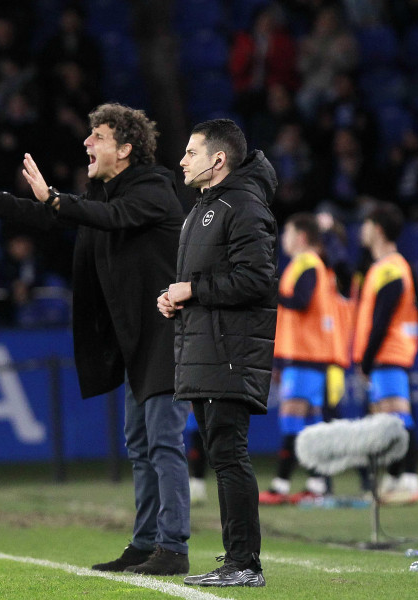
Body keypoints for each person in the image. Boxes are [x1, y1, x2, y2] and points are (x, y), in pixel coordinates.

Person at [0, 103, 191, 576]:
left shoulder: (154, 189)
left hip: (167, 334)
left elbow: (111, 216)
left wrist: (55, 198)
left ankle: (174, 546)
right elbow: (52, 218)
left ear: (124, 148)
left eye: (97, 135)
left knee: (163, 442)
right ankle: (145, 545)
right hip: (135, 339)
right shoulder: (102, 193)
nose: (86, 143)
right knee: (140, 445)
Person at [158, 118, 278, 588]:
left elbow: (257, 280)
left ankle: (245, 563)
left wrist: (194, 288)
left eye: (190, 152)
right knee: (222, 455)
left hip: (229, 352)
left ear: (218, 159)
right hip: (207, 348)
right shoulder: (205, 208)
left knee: (229, 454)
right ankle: (238, 560)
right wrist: (177, 297)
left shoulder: (243, 205)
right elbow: (206, 285)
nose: (182, 160)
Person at [259, 213, 345, 505]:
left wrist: (269, 289)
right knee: (308, 422)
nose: (284, 238)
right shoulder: (304, 265)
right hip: (302, 354)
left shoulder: (307, 264)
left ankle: (283, 484)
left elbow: (301, 301)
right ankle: (316, 483)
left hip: (306, 355)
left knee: (294, 419)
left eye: (288, 232)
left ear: (302, 237)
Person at [353, 201, 418, 505]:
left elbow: (382, 321)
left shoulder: (391, 268)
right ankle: (396, 478)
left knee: (398, 417)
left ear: (377, 230)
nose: (362, 230)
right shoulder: (383, 267)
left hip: (389, 353)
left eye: (366, 224)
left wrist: (366, 359)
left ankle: (410, 479)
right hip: (384, 355)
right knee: (389, 419)